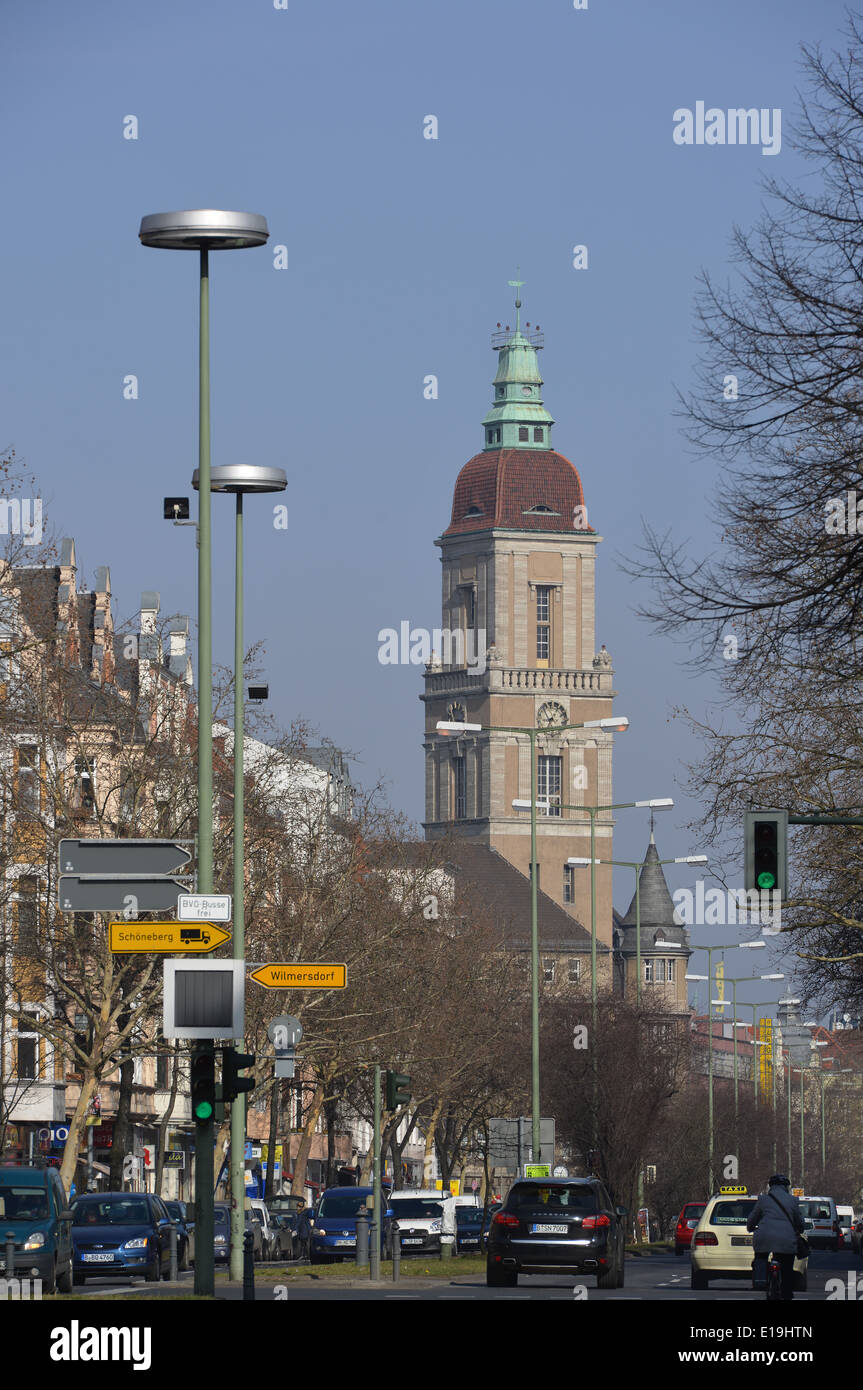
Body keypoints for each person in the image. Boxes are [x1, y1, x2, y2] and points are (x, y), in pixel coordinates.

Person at [746, 1175, 805, 1300]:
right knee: (787, 1266)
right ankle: (787, 1291)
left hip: (764, 1237)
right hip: (786, 1239)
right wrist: (800, 1228)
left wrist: (750, 1227)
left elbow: (752, 1219)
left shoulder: (763, 1200)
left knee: (761, 1257)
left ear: (770, 1186)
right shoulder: (793, 1200)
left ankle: (761, 1280)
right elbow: (799, 1221)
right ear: (786, 1187)